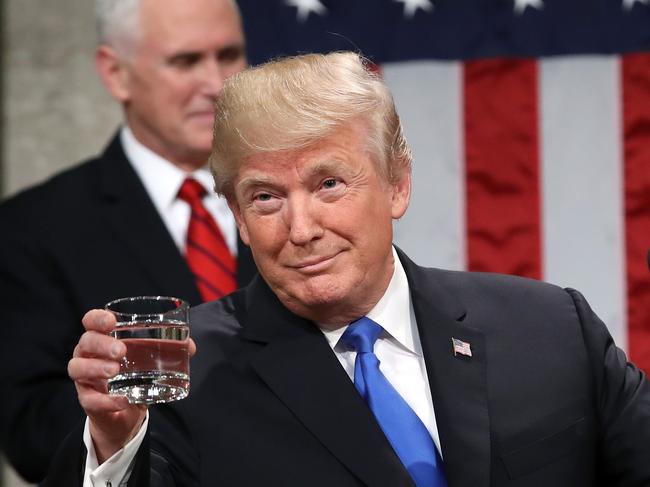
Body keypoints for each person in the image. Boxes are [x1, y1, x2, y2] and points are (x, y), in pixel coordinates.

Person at [49, 51, 650, 486]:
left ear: (397, 183)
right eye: (265, 198)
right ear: (235, 214)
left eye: (329, 184)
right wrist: (116, 442)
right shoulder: (187, 370)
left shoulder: (549, 327)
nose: (302, 228)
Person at [0, 0, 256, 482]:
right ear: (115, 73)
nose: (216, 83)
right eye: (185, 61)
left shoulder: (300, 203)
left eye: (229, 55)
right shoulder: (32, 228)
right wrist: (114, 424)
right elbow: (30, 429)